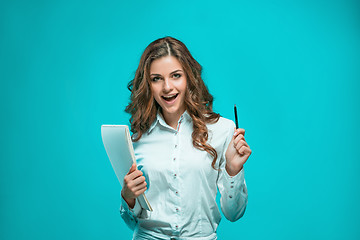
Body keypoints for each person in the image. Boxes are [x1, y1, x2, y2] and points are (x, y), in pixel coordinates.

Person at [120, 36, 252, 240]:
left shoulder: (223, 129)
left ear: (189, 77)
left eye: (175, 75)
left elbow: (234, 214)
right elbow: (132, 224)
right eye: (157, 78)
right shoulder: (138, 136)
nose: (167, 87)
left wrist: (233, 171)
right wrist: (127, 198)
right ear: (148, 84)